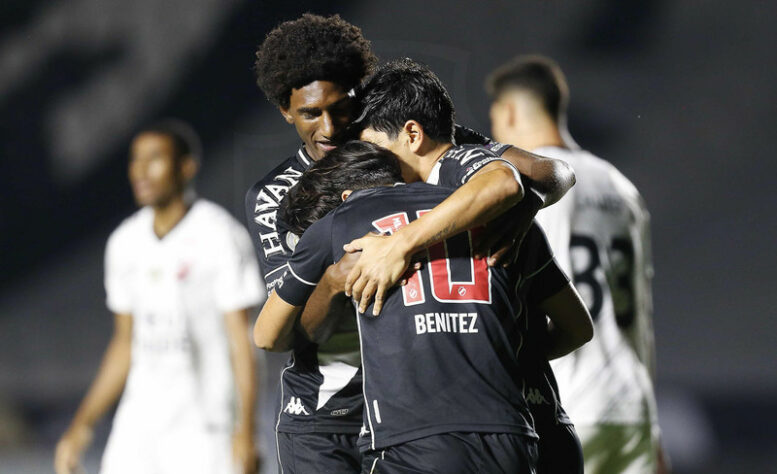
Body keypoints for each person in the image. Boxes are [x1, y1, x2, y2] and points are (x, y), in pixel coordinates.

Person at [246, 15, 575, 473]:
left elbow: (554, 172)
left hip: (430, 403)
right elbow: (283, 331)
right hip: (330, 413)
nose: (330, 127)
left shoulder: (400, 139)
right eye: (310, 113)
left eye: (342, 108)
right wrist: (336, 282)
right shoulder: (276, 194)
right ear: (286, 111)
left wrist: (522, 203)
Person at [255, 141, 593, 474]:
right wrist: (499, 352)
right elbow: (578, 328)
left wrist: (330, 282)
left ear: (345, 200)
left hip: (406, 439)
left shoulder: (343, 223)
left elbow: (267, 336)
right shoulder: (504, 216)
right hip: (510, 434)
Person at [487, 54, 669, 474]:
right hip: (630, 407)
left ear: (509, 110)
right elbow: (641, 313)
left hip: (566, 403)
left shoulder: (526, 190)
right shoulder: (621, 187)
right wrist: (651, 422)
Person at [54, 120, 264, 474]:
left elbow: (241, 342)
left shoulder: (219, 235)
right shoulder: (125, 242)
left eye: (155, 158)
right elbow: (125, 344)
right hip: (139, 427)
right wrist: (81, 426)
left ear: (186, 167)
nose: (141, 170)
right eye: (135, 159)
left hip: (205, 427)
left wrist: (246, 431)